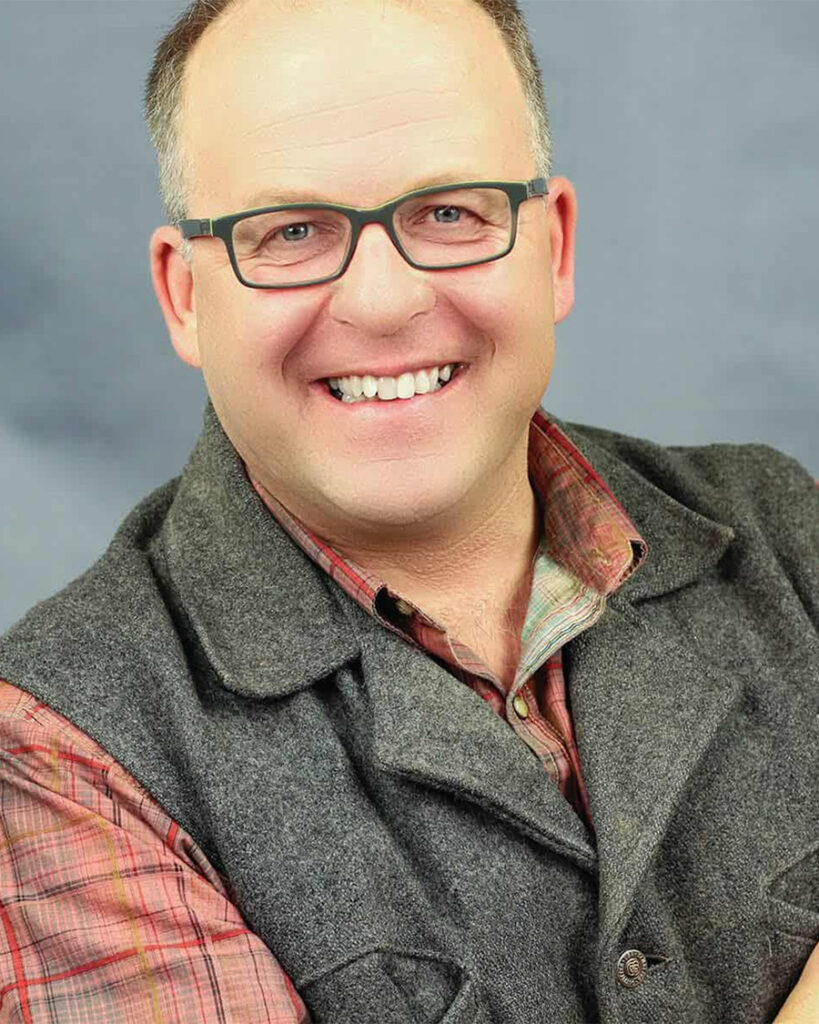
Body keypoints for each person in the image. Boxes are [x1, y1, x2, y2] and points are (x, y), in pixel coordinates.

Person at [0, 0, 816, 1020]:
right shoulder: (56, 752)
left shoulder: (786, 529)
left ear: (554, 247)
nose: (383, 302)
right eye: (291, 232)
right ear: (185, 297)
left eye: (450, 213)